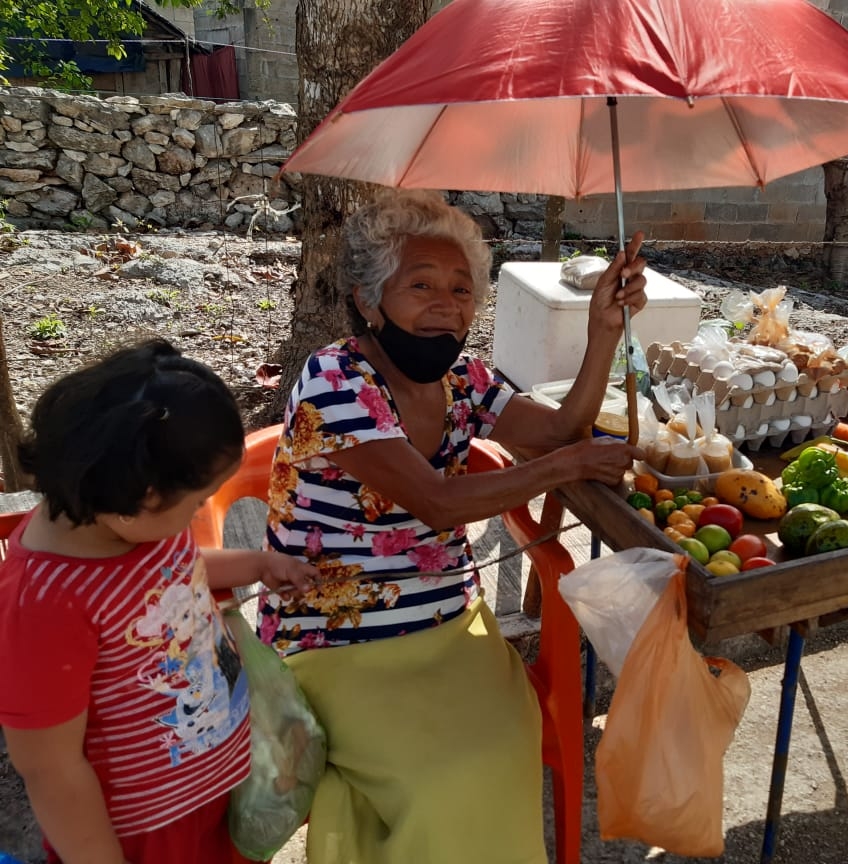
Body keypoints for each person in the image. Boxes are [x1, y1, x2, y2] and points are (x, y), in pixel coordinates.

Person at [258, 187, 647, 864]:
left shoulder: (464, 379)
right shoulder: (335, 380)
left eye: (462, 289)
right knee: (438, 777)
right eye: (421, 284)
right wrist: (565, 466)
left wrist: (604, 330)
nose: (447, 303)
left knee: (504, 743)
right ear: (368, 300)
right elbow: (435, 502)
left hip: (444, 623)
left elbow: (560, 428)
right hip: (334, 636)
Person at [0, 340, 316, 864]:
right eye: (196, 502)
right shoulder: (43, 604)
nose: (198, 513)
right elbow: (51, 768)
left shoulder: (128, 524)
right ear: (145, 497)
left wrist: (257, 565)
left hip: (210, 788)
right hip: (144, 833)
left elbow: (171, 577)